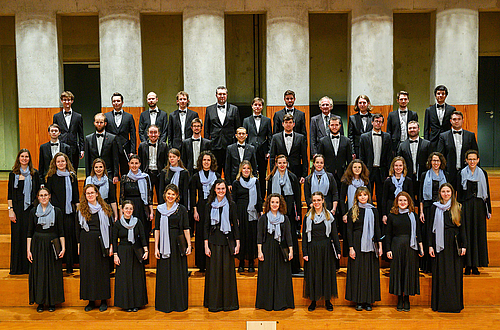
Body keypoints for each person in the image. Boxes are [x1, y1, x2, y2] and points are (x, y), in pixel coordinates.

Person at [429, 183, 466, 313]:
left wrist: (464, 245)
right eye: (443, 191)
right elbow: (430, 229)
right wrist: (430, 246)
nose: (446, 194)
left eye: (448, 191)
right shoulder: (435, 207)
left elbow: (463, 229)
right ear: (440, 193)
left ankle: (454, 304)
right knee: (440, 273)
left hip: (453, 244)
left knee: (453, 274)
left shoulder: (458, 207)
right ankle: (440, 305)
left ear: (452, 193)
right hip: (439, 243)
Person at [204, 179, 240, 312]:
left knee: (227, 273)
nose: (221, 191)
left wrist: (238, 242)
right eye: (218, 189)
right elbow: (206, 226)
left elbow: (235, 225)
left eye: (223, 189)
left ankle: (229, 304)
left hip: (226, 241)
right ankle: (214, 304)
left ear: (226, 190)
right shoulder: (209, 205)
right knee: (214, 274)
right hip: (213, 241)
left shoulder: (231, 204)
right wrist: (206, 245)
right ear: (214, 190)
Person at [155, 184, 191, 313]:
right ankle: (165, 304)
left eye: (173, 194)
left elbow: (186, 228)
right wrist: (156, 248)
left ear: (177, 196)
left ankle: (178, 304)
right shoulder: (159, 209)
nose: (170, 196)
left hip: (177, 245)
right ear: (165, 194)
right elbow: (157, 229)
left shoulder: (181, 209)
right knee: (165, 274)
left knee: (177, 273)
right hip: (163, 245)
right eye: (168, 194)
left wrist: (189, 245)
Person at [27, 187, 65, 312]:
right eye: (41, 195)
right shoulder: (33, 212)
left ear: (49, 196)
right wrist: (28, 250)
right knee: (40, 273)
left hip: (52, 244)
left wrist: (63, 247)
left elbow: (61, 232)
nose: (43, 197)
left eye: (45, 195)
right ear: (38, 198)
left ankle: (52, 302)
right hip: (38, 245)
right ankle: (40, 302)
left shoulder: (57, 211)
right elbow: (29, 233)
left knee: (53, 273)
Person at [76, 184, 114, 312]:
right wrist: (79, 245)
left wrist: (111, 246)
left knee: (102, 271)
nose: (90, 195)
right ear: (85, 196)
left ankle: (103, 301)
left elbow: (110, 228)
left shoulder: (105, 209)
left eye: (92, 193)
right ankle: (90, 301)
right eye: (88, 193)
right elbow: (78, 229)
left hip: (102, 242)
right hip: (86, 243)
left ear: (97, 194)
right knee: (88, 272)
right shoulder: (81, 209)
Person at [302, 192, 341, 312]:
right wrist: (305, 252)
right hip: (313, 248)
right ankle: (313, 301)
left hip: (326, 248)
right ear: (312, 202)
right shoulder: (308, 217)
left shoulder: (329, 216)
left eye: (319, 200)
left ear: (323, 201)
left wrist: (338, 251)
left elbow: (334, 235)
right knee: (313, 274)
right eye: (314, 200)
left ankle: (327, 301)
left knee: (326, 274)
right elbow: (304, 236)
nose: (316, 203)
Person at [345, 186, 382, 311]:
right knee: (357, 272)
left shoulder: (374, 211)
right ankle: (358, 301)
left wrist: (380, 246)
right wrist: (351, 248)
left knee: (369, 272)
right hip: (356, 243)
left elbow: (377, 229)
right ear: (356, 197)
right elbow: (349, 231)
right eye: (360, 195)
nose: (363, 197)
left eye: (365, 195)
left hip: (371, 245)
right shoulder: (352, 211)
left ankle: (368, 301)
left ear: (368, 196)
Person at [255, 193, 294, 311]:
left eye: (277, 202)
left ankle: (281, 303)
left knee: (281, 277)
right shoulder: (263, 218)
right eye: (272, 202)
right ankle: (266, 303)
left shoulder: (285, 218)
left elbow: (288, 236)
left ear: (280, 204)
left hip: (281, 250)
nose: (274, 204)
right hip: (267, 249)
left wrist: (291, 251)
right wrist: (259, 251)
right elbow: (259, 236)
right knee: (267, 276)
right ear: (268, 204)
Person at [386, 191, 423, 312]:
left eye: (405, 200)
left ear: (409, 202)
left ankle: (406, 298)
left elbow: (418, 233)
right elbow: (388, 234)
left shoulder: (414, 216)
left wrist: (421, 248)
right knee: (398, 272)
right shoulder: (392, 216)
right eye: (400, 200)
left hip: (411, 247)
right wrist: (388, 249)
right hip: (396, 246)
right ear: (397, 202)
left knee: (408, 272)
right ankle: (399, 299)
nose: (402, 202)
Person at [266, 155, 302, 274]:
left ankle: (294, 267)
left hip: (290, 214)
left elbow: (297, 197)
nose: (282, 165)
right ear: (276, 164)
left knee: (290, 238)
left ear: (287, 164)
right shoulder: (271, 178)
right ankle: (278, 266)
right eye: (279, 163)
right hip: (275, 214)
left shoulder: (292, 178)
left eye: (284, 163)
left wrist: (298, 214)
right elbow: (269, 198)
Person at [44, 152, 79, 273]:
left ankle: (69, 266)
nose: (60, 163)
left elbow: (76, 196)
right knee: (56, 239)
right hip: (56, 213)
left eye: (63, 161)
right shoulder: (51, 177)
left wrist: (78, 211)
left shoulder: (72, 176)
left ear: (66, 162)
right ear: (55, 163)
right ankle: (56, 267)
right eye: (58, 161)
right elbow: (48, 196)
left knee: (69, 239)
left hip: (69, 213)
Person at [457, 150, 491, 275]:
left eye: (474, 159)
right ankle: (467, 265)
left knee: (478, 235)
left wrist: (489, 209)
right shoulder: (461, 173)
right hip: (465, 207)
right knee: (467, 234)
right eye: (469, 159)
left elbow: (487, 193)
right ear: (466, 160)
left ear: (478, 160)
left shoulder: (483, 173)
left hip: (479, 208)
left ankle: (476, 264)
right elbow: (459, 194)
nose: (472, 161)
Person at [8, 149, 41, 275]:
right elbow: (10, 194)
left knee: (30, 235)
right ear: (18, 158)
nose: (24, 159)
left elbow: (38, 193)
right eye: (22, 156)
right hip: (17, 210)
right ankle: (18, 268)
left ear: (29, 159)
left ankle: (30, 266)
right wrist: (11, 210)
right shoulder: (13, 174)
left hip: (30, 210)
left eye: (27, 156)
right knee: (17, 237)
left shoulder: (35, 174)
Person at [113, 200, 149, 312]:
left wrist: (146, 251)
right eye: (126, 208)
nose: (128, 211)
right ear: (122, 210)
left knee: (136, 278)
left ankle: (136, 304)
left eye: (130, 209)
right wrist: (115, 255)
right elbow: (114, 241)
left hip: (135, 251)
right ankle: (126, 304)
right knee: (125, 278)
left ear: (133, 210)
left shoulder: (137, 222)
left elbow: (143, 237)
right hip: (123, 252)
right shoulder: (118, 224)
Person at [190, 151, 221, 272]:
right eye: (204, 160)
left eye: (208, 160)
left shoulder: (217, 176)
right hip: (202, 207)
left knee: (213, 232)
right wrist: (195, 210)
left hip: (214, 206)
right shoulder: (196, 176)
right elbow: (193, 195)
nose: (206, 162)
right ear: (200, 162)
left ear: (211, 162)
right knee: (201, 233)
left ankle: (213, 261)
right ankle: (201, 264)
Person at [419, 152, 448, 273]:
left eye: (438, 161)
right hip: (427, 208)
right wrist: (421, 212)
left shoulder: (446, 175)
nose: (436, 163)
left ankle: (438, 265)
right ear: (430, 162)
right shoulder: (424, 175)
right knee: (428, 235)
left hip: (441, 209)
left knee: (439, 235)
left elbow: (449, 194)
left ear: (441, 162)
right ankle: (427, 266)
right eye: (434, 160)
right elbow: (420, 196)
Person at [232, 161, 263, 273]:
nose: (246, 170)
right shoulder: (236, 183)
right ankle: (241, 262)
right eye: (244, 168)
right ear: (241, 170)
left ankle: (251, 262)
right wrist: (234, 216)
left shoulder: (255, 182)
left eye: (248, 168)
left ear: (251, 170)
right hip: (240, 212)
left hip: (252, 213)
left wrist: (260, 212)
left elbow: (259, 198)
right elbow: (233, 201)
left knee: (251, 237)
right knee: (241, 236)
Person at [359, 113, 392, 216]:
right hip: (368, 171)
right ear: (372, 122)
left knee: (381, 198)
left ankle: (381, 223)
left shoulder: (387, 136)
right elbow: (361, 156)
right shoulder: (364, 137)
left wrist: (388, 173)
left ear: (382, 123)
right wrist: (362, 173)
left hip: (382, 172)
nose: (378, 123)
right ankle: (368, 219)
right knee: (367, 197)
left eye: (380, 122)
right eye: (376, 121)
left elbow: (389, 156)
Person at [437, 111, 479, 190]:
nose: (456, 121)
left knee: (465, 196)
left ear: (463, 120)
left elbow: (475, 154)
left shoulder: (470, 135)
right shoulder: (443, 136)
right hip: (449, 172)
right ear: (450, 121)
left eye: (459, 119)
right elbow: (440, 155)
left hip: (467, 171)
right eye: (454, 119)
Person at [204, 86, 240, 176]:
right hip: (214, 145)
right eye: (220, 94)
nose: (222, 96)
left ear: (227, 95)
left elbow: (238, 128)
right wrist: (207, 145)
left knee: (230, 171)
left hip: (230, 145)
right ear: (216, 95)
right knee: (215, 171)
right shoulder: (209, 109)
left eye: (224, 94)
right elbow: (206, 129)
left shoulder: (234, 109)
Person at [120, 155, 154, 247]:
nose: (134, 165)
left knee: (142, 232)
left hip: (142, 208)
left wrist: (151, 212)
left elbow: (149, 196)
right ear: (128, 164)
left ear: (140, 164)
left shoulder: (145, 177)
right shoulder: (124, 178)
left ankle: (143, 257)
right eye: (132, 163)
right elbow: (121, 198)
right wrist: (121, 214)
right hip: (128, 208)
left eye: (136, 163)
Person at [339, 160, 371, 255]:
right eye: (355, 167)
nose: (357, 169)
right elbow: (341, 198)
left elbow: (369, 198)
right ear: (351, 169)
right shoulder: (346, 181)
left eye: (359, 167)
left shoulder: (366, 181)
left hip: (364, 212)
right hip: (350, 212)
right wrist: (344, 213)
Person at [243, 97, 273, 198]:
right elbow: (244, 136)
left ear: (262, 107)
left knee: (262, 175)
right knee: (250, 173)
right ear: (252, 106)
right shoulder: (246, 120)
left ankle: (262, 197)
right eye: (255, 104)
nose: (257, 107)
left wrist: (269, 151)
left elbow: (270, 137)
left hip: (262, 152)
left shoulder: (267, 120)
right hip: (250, 151)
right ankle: (250, 195)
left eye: (259, 105)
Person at [397, 121, 431, 205]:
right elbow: (398, 161)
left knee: (422, 200)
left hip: (423, 177)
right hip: (407, 177)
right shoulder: (402, 145)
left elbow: (430, 161)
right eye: (410, 128)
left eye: (414, 128)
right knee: (408, 200)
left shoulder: (427, 144)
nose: (412, 130)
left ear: (419, 129)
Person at [105, 92, 137, 177]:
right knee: (112, 174)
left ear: (122, 102)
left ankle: (125, 190)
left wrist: (132, 151)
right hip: (111, 149)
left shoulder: (129, 117)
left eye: (118, 101)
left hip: (125, 149)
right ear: (112, 103)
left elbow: (133, 134)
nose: (116, 103)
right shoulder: (106, 116)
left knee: (125, 174)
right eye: (114, 101)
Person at [269, 114, 308, 183]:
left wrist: (304, 175)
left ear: (294, 124)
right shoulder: (275, 137)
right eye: (286, 122)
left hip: (296, 171)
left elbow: (304, 157)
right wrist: (273, 172)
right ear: (282, 124)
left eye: (290, 122)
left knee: (296, 193)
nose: (288, 124)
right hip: (280, 171)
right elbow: (272, 156)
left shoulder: (301, 138)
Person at [84, 113, 120, 184]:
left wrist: (116, 174)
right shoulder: (88, 139)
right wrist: (88, 176)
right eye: (97, 122)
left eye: (101, 122)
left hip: (108, 173)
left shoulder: (112, 138)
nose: (99, 124)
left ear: (105, 123)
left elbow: (115, 158)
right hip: (93, 174)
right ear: (94, 123)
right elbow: (87, 159)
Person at [317, 116, 352, 186]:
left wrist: (348, 175)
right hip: (326, 175)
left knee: (341, 196)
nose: (334, 127)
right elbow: (320, 159)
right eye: (332, 125)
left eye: (336, 125)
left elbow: (349, 160)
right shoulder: (322, 141)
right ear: (329, 126)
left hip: (342, 175)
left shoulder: (347, 141)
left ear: (340, 126)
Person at [53, 91, 84, 169]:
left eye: (69, 100)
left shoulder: (78, 116)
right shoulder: (56, 117)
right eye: (65, 100)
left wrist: (82, 149)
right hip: (61, 147)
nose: (67, 102)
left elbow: (81, 134)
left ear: (72, 101)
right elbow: (54, 132)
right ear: (61, 101)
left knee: (74, 171)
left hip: (74, 148)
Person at [138, 124, 168, 202]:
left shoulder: (164, 146)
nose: (153, 135)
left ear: (159, 134)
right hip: (147, 174)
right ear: (147, 134)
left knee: (161, 197)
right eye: (151, 132)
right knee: (147, 197)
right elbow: (140, 161)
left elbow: (166, 162)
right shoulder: (142, 146)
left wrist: (163, 174)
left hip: (159, 174)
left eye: (155, 132)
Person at [381, 157, 414, 226]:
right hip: (390, 209)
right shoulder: (388, 181)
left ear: (403, 167)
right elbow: (384, 199)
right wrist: (384, 214)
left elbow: (411, 198)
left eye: (400, 165)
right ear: (393, 167)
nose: (398, 168)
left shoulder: (408, 181)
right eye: (396, 165)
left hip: (405, 209)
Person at [424, 85, 456, 150]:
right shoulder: (429, 110)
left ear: (446, 96)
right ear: (435, 95)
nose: (440, 95)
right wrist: (426, 142)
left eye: (443, 94)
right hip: (433, 140)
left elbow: (454, 125)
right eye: (438, 93)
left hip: (447, 139)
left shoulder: (451, 109)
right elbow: (426, 128)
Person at [386, 91, 419, 155]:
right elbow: (389, 131)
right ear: (397, 100)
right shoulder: (391, 115)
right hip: (395, 145)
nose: (403, 101)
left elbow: (416, 130)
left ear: (408, 100)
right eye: (401, 99)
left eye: (405, 99)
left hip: (409, 144)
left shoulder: (413, 114)